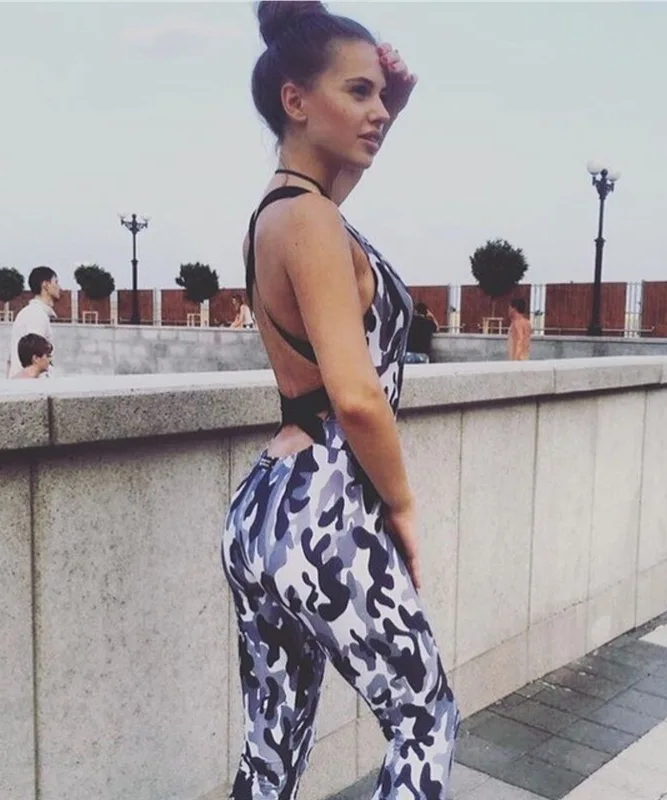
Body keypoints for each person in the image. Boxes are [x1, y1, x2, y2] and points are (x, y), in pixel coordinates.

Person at [221, 4, 459, 797]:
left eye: (381, 95)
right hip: (329, 505)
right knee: (424, 721)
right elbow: (356, 398)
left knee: (270, 749)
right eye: (358, 92)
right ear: (295, 101)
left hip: (265, 510)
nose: (378, 111)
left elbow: (334, 180)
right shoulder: (316, 221)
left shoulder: (276, 212)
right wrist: (403, 506)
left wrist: (396, 104)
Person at [7, 266, 60, 378]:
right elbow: (36, 361)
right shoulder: (36, 315)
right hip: (29, 386)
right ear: (45, 285)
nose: (59, 287)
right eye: (56, 282)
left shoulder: (34, 313)